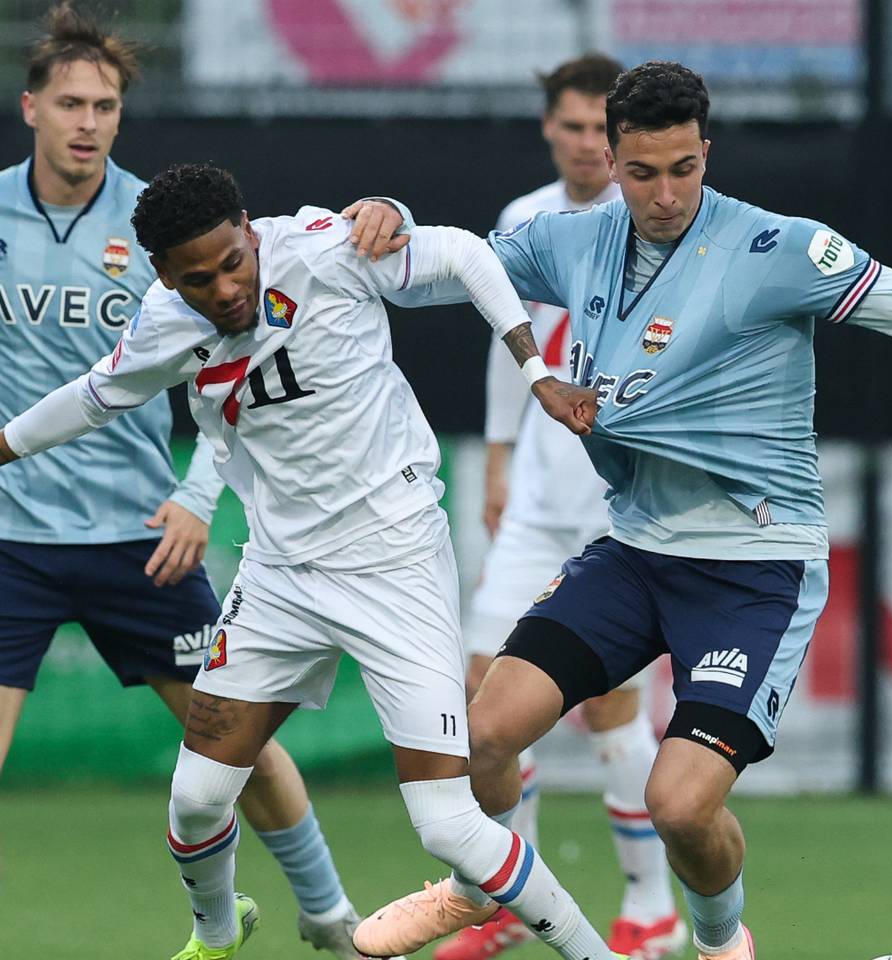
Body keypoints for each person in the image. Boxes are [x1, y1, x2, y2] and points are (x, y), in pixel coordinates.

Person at [352, 60, 892, 959]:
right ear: (610, 158)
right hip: (637, 551)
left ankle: (720, 945)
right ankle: (477, 888)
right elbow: (438, 265)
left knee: (678, 804)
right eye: (644, 172)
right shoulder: (571, 239)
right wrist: (390, 217)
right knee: (483, 731)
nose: (667, 192)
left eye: (685, 167)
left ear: (706, 153)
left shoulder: (780, 251)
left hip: (756, 570)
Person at [0, 160, 622, 960]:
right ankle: (217, 937)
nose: (227, 287)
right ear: (163, 275)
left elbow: (468, 254)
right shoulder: (163, 321)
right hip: (281, 576)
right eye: (200, 277)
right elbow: (90, 395)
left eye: (235, 260)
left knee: (448, 825)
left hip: (394, 560)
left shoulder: (325, 248)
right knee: (194, 798)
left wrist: (534, 369)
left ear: (250, 229)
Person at [0, 7, 370, 955]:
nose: (88, 121)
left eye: (107, 105)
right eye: (71, 102)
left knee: (232, 746)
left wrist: (199, 494)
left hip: (140, 535)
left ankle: (327, 915)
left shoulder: (167, 239)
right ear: (31, 106)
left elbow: (239, 373)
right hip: (14, 541)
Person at [445, 53, 684, 960]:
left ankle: (650, 907)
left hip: (620, 505)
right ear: (551, 127)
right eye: (574, 127)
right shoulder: (524, 221)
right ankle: (512, 900)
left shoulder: (661, 219)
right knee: (481, 703)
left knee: (610, 706)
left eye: (602, 130)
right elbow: (517, 349)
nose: (589, 144)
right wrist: (501, 460)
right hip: (540, 495)